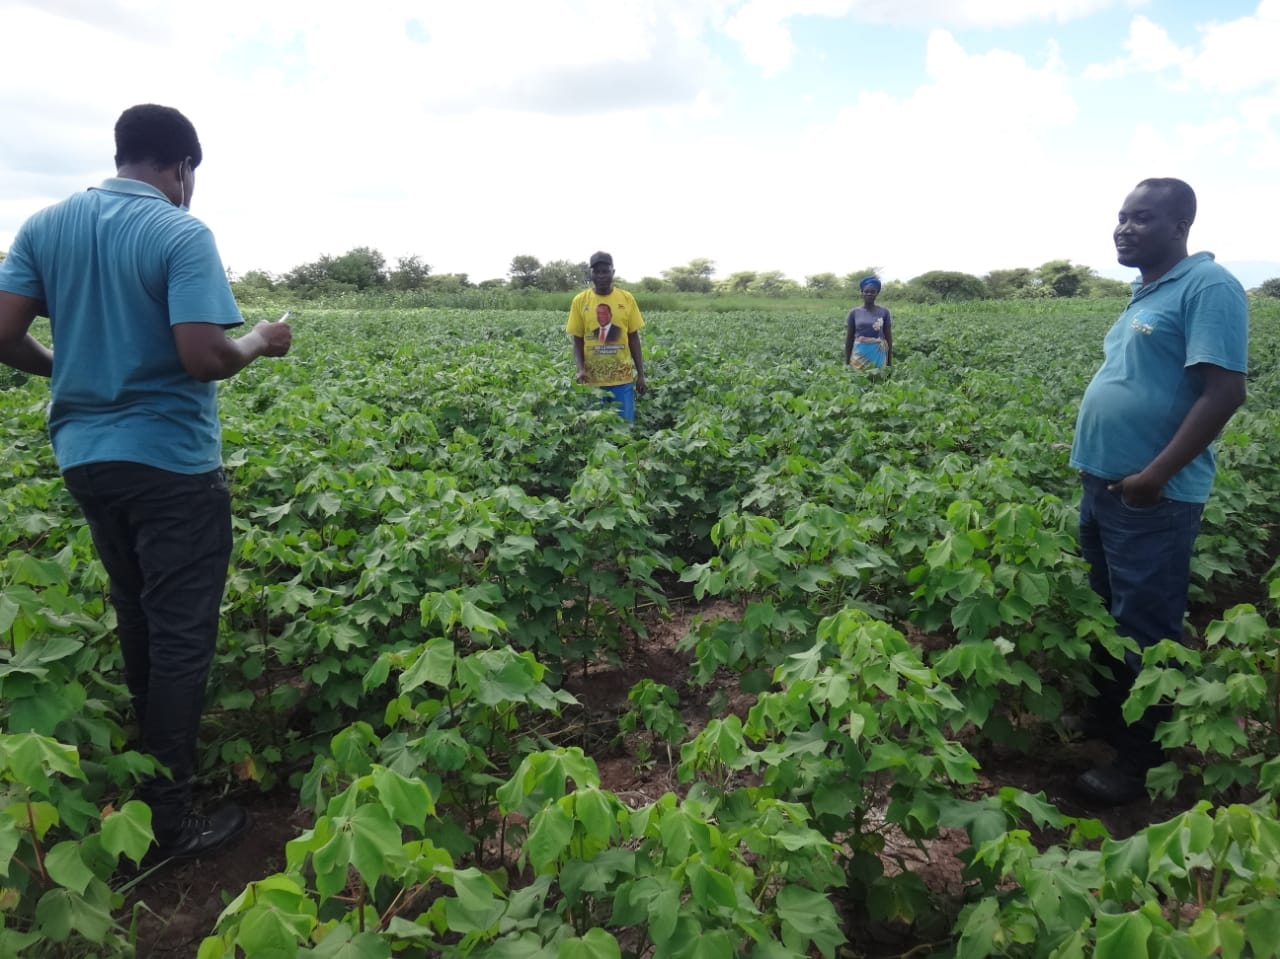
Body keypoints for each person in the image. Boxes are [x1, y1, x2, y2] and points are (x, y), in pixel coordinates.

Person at [0, 104, 293, 859]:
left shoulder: (45, 226)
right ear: (183, 168)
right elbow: (203, 356)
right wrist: (259, 340)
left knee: (139, 617)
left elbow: (2, 334)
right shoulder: (178, 231)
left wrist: (69, 369)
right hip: (170, 463)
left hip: (86, 459)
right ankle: (168, 821)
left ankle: (147, 783)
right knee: (181, 636)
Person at [1068, 177, 1248, 805]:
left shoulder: (1208, 286)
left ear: (1180, 226)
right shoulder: (1146, 291)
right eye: (1120, 217)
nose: (1124, 228)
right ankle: (1110, 723)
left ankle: (1139, 763)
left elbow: (1223, 391)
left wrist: (1154, 477)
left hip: (1151, 497)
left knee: (1145, 626)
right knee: (1108, 615)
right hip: (1104, 488)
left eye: (1141, 218)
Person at [566, 251, 647, 421]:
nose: (601, 276)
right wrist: (580, 369)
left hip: (622, 379)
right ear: (591, 274)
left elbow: (633, 338)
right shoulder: (580, 301)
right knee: (597, 430)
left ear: (613, 273)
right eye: (597, 272)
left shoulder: (626, 299)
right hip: (592, 380)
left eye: (605, 271)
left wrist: (640, 374)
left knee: (623, 429)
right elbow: (577, 340)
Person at [844, 277, 892, 369]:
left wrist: (889, 362)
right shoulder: (854, 312)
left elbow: (888, 338)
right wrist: (847, 362)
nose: (869, 294)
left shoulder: (884, 312)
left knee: (878, 379)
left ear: (877, 293)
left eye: (873, 291)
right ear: (862, 293)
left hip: (878, 353)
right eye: (866, 291)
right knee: (859, 380)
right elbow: (849, 338)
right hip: (860, 353)